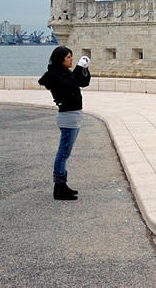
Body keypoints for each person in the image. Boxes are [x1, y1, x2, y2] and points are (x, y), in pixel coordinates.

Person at [38, 46, 90, 200]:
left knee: (65, 152)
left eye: (72, 56)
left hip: (73, 115)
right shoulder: (55, 75)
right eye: (68, 57)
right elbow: (68, 85)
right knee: (63, 152)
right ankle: (59, 187)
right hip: (67, 116)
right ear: (60, 59)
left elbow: (82, 82)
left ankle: (62, 185)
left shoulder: (65, 73)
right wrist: (79, 68)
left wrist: (85, 69)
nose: (71, 59)